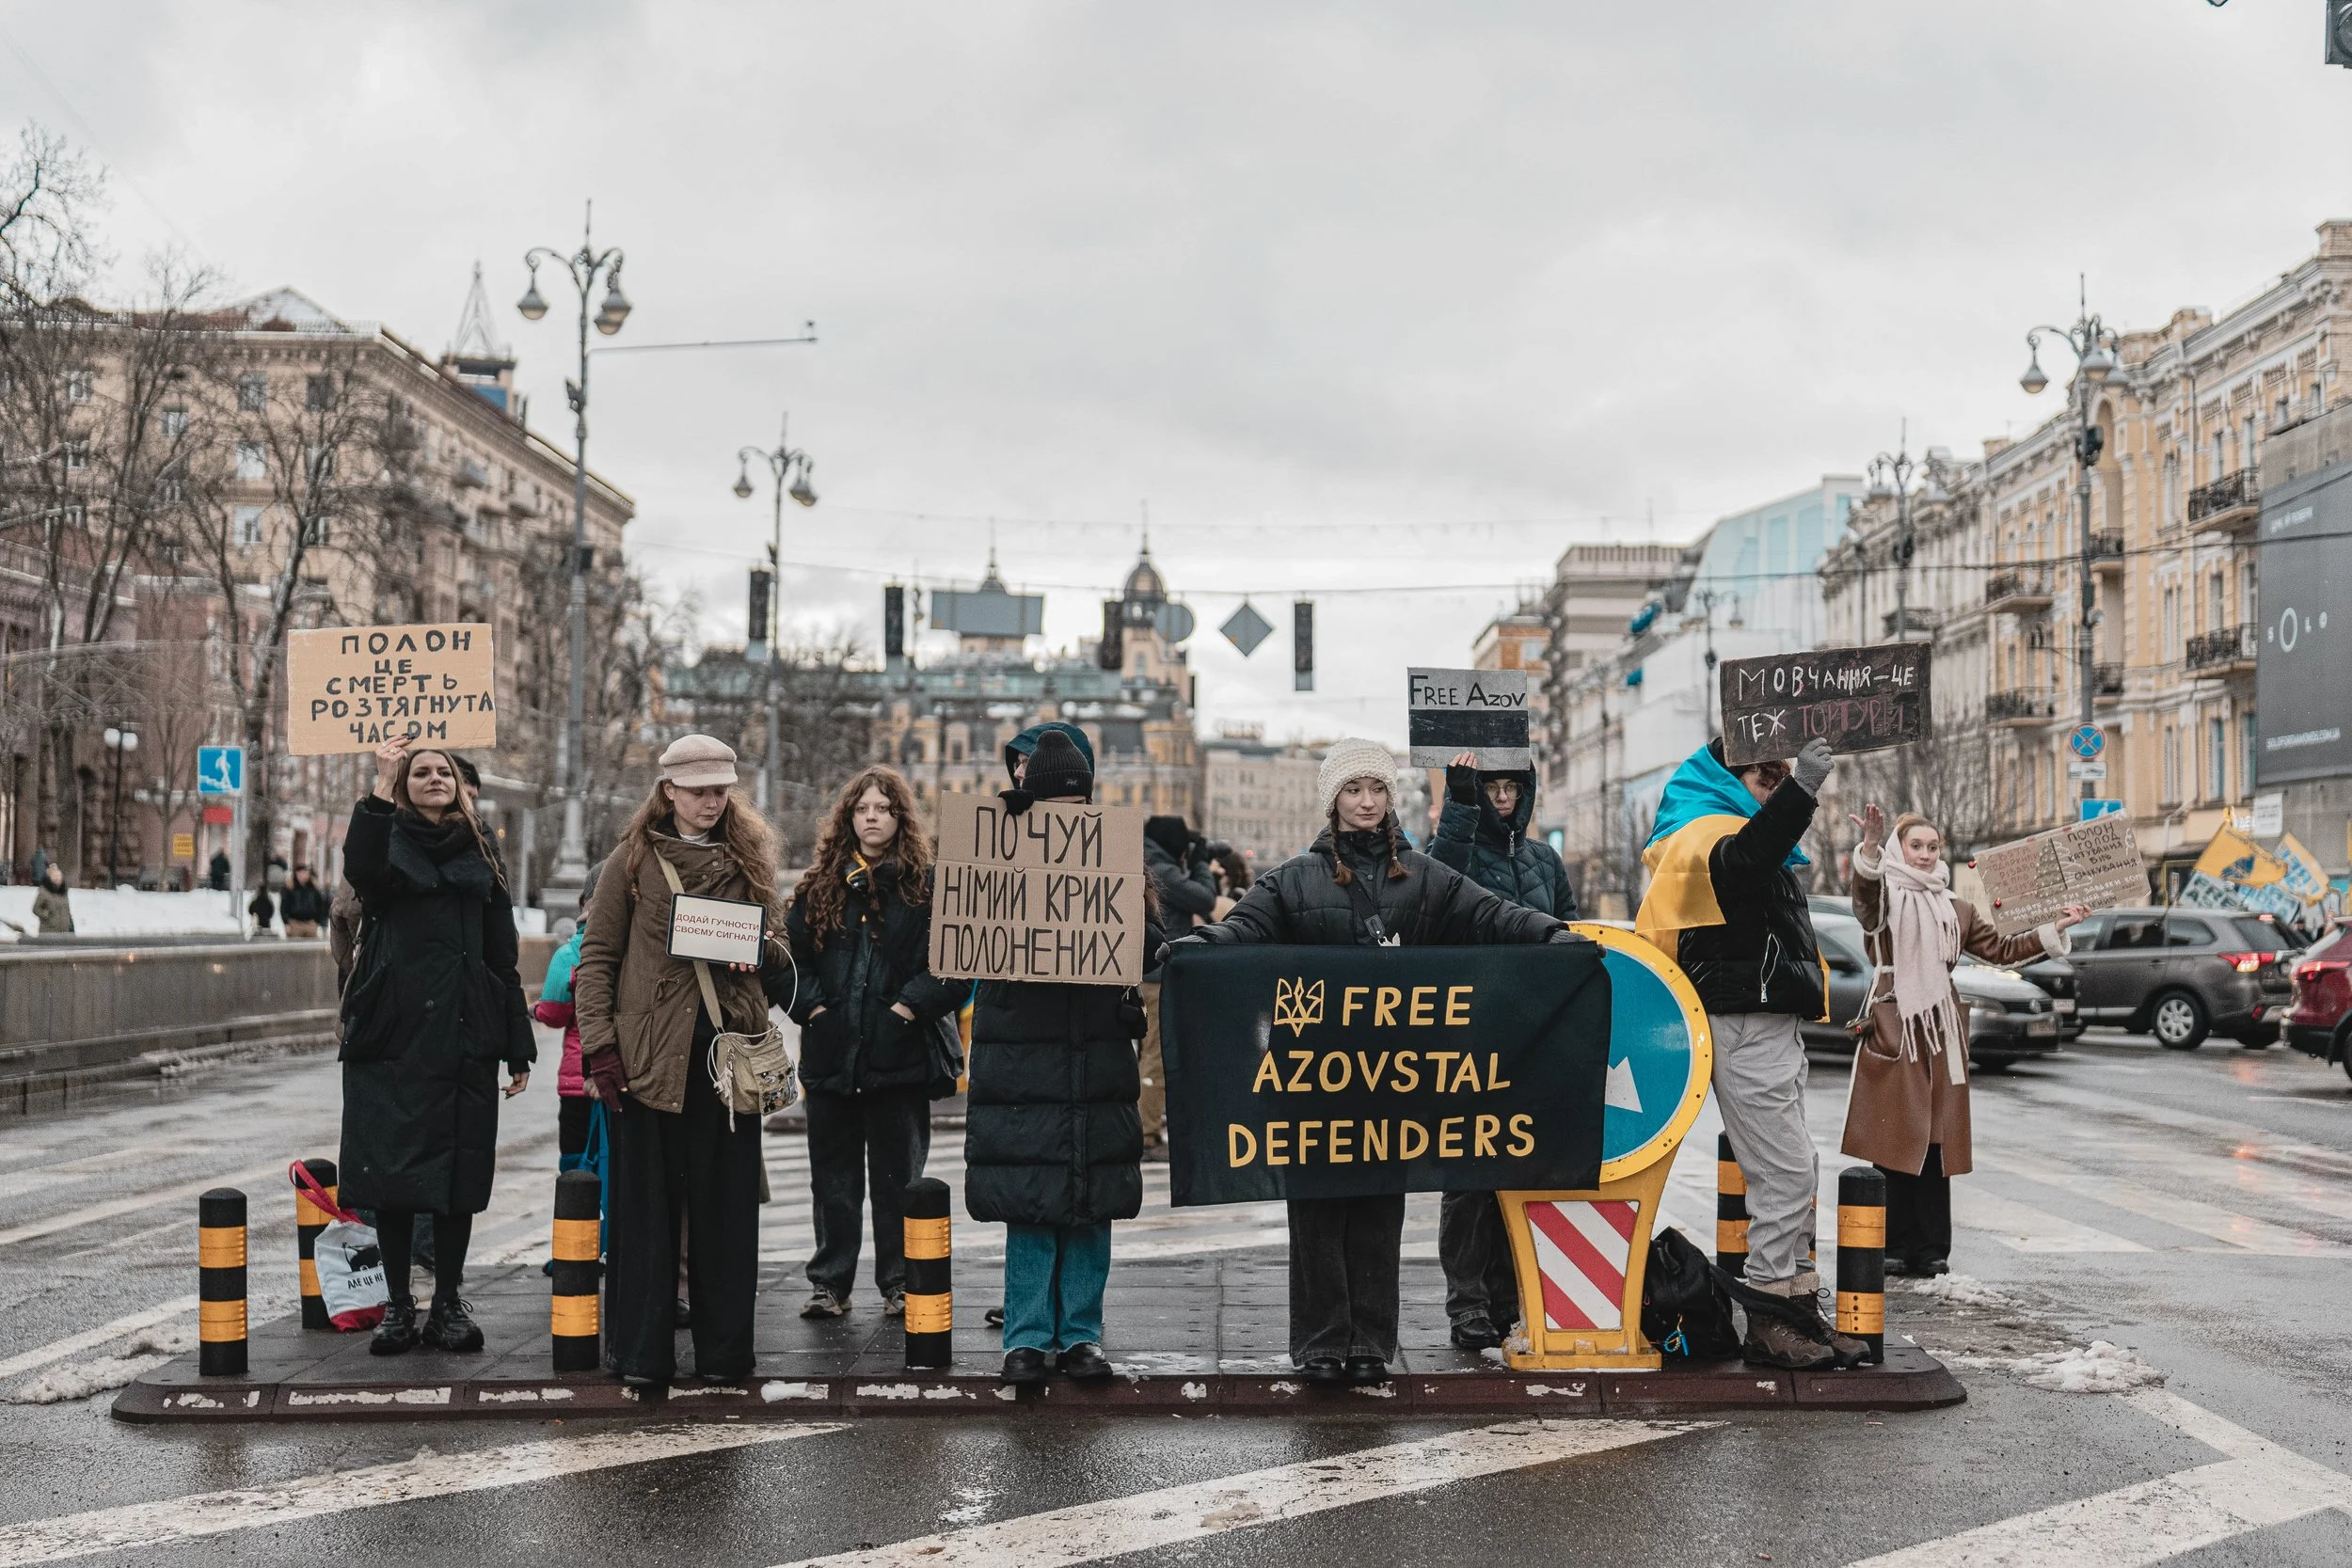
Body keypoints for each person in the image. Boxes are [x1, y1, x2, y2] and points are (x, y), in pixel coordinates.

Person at [1177, 737, 1587, 1386]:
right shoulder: (1292, 878)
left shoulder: (1422, 875)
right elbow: (1243, 930)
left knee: (1377, 1214)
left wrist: (1551, 933)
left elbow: (1490, 913)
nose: (1367, 802)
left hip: (1391, 1077)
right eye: (1353, 790)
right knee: (1315, 1216)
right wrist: (1201, 944)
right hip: (1314, 1080)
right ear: (1333, 799)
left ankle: (1370, 1341)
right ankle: (1320, 1342)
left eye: (1376, 790)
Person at [1635, 736, 1866, 1370]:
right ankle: (1771, 1317)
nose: (1775, 793)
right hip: (1741, 1016)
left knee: (1794, 1169)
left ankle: (1794, 1310)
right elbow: (1743, 861)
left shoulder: (1723, 825)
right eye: (1769, 780)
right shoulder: (1704, 828)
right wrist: (1804, 790)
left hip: (1767, 1015)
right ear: (1735, 778)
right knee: (1785, 1170)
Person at [573, 735, 786, 1386]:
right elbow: (597, 959)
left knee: (727, 1214)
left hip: (727, 1065)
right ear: (667, 790)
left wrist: (760, 952)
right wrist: (602, 1049)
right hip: (647, 1064)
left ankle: (725, 1356)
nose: (709, 802)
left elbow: (782, 963)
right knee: (644, 1219)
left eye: (720, 790)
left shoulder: (749, 861)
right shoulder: (631, 861)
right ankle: (642, 1358)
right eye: (697, 790)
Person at [966, 728, 1165, 1385]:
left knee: (1089, 1204)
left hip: (1095, 1063)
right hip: (1026, 1064)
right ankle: (1025, 1338)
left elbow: (1150, 949)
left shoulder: (1119, 859)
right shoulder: (995, 856)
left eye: (1075, 802)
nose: (1066, 815)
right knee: (1031, 1206)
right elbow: (959, 940)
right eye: (1053, 801)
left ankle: (1080, 1335)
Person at [339, 738, 533, 1355]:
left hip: (464, 1036)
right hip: (394, 1037)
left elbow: (502, 954)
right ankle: (399, 1306)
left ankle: (447, 1304)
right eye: (419, 771)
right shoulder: (386, 839)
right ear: (402, 784)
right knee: (393, 1182)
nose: (432, 778)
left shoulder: (482, 848)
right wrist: (379, 781)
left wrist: (517, 1045)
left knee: (458, 1181)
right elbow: (360, 869)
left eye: (442, 770)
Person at [1844, 804, 2086, 1276]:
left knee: (1936, 1140)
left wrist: (2056, 927)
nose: (1926, 854)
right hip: (1896, 1022)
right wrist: (1870, 847)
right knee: (1894, 1134)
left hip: (1942, 1027)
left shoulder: (1956, 907)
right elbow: (1865, 902)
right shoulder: (1886, 896)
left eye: (1933, 847)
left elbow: (2002, 950)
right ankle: (1894, 1247)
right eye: (1916, 846)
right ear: (1899, 849)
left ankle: (1933, 1250)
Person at [785, 766, 963, 1320]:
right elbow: (787, 960)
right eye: (862, 808)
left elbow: (955, 965)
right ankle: (830, 1283)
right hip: (831, 1057)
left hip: (898, 1060)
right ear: (848, 818)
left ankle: (899, 1284)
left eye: (883, 808)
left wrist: (907, 1008)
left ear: (899, 817)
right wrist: (812, 1009)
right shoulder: (819, 885)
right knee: (832, 1183)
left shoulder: (927, 886)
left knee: (898, 1183)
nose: (871, 817)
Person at [1423, 749, 1581, 1350]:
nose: (1504, 796)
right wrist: (1459, 802)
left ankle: (1515, 1297)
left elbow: (1571, 927)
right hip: (1473, 1029)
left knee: (1526, 1165)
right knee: (1469, 1174)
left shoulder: (1544, 858)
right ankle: (1468, 1303)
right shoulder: (1456, 852)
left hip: (1539, 1033)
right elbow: (1437, 891)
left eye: (1513, 785)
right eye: (1491, 786)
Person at [1138, 817, 1224, 1161]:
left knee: (1148, 1055)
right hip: (1158, 978)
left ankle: (1144, 1129)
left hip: (1150, 976)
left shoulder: (1148, 859)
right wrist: (1201, 861)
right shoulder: (1160, 868)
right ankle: (1146, 1136)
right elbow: (1204, 898)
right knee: (1156, 1058)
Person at [280, 864, 329, 940]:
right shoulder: (290, 888)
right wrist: (286, 923)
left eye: (306, 873)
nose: (304, 875)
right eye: (302, 873)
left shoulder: (314, 888)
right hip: (295, 923)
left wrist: (317, 921)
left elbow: (320, 905)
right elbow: (284, 907)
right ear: (297, 874)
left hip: (310, 923)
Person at [32, 862, 72, 934]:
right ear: (50, 878)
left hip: (64, 931)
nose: (57, 879)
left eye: (59, 876)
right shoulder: (44, 892)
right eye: (55, 876)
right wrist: (46, 914)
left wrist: (70, 924)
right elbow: (36, 909)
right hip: (49, 931)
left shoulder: (63, 893)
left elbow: (67, 910)